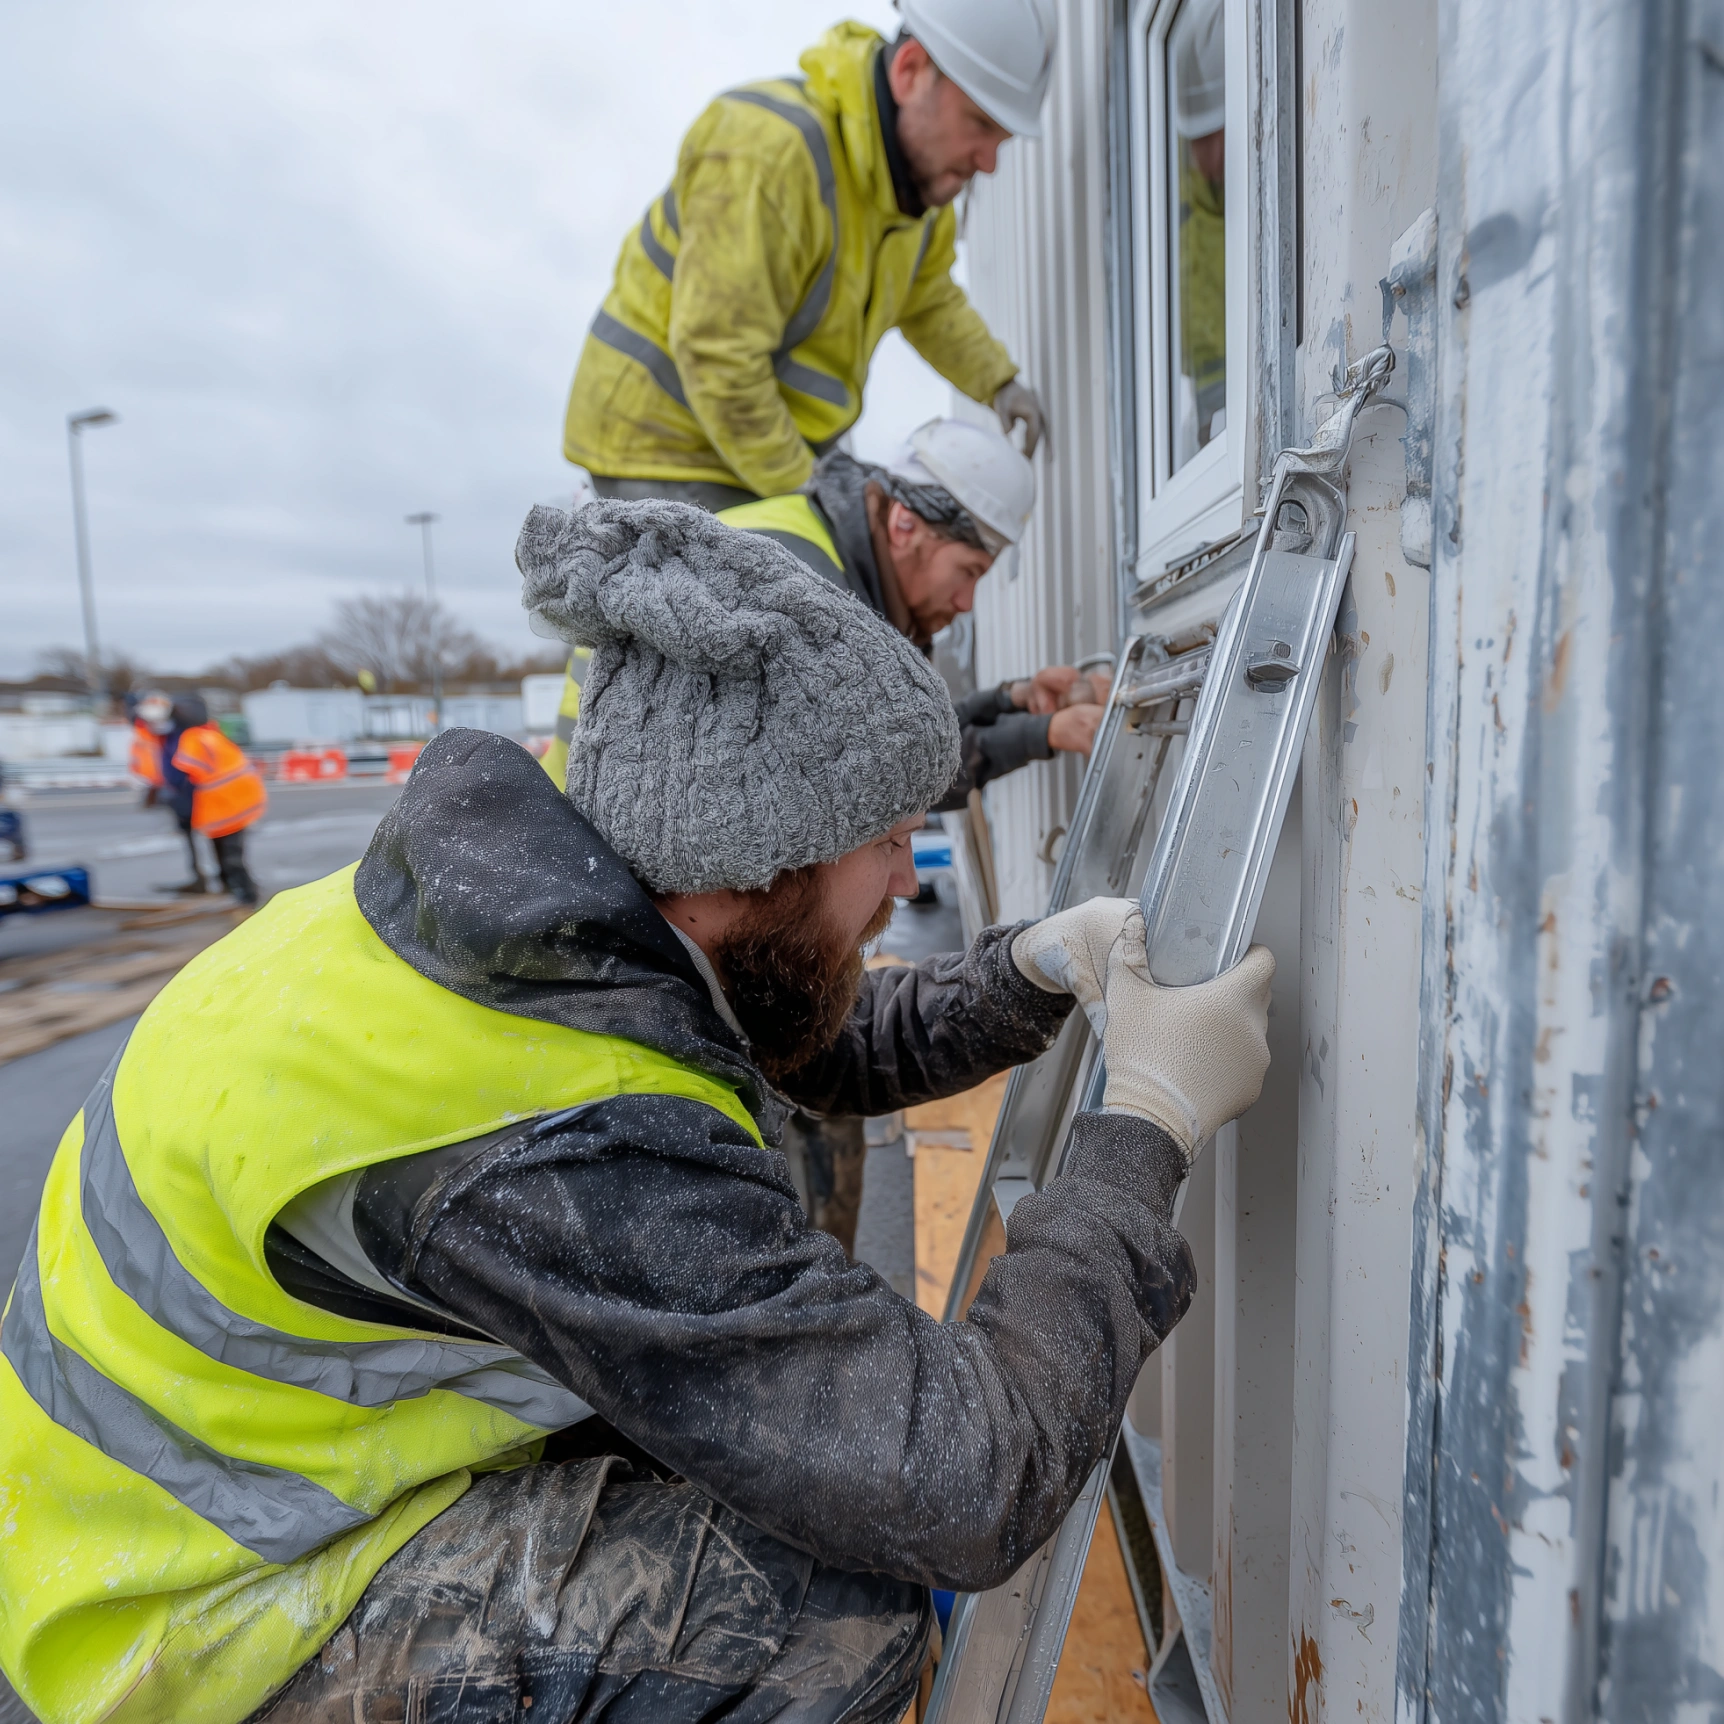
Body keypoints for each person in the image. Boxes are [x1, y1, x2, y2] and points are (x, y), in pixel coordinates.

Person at [0, 503, 1274, 1724]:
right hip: (185, 1621)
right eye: (887, 838)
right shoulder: (553, 1136)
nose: (906, 872)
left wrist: (1026, 971)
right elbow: (961, 1473)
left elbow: (805, 1039)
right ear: (760, 856)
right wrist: (1142, 1124)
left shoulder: (525, 919)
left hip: (190, 1494)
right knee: (815, 1619)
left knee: (752, 1456)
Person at [537, 419, 1115, 1254]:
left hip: (641, 882)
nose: (967, 603)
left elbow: (869, 773)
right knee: (791, 1149)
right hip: (660, 890)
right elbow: (854, 783)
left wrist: (1008, 705)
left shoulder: (800, 562)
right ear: (906, 525)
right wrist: (1041, 734)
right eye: (969, 571)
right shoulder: (795, 588)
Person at [561, 0, 1055, 508]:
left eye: (1002, 140)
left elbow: (928, 302)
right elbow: (718, 354)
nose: (989, 162)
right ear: (909, 72)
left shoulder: (917, 202)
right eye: (979, 124)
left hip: (761, 452)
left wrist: (999, 383)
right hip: (661, 448)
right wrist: (807, 491)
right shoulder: (767, 154)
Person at [157, 693, 267, 904]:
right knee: (228, 850)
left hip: (225, 804)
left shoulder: (192, 738)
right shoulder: (211, 733)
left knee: (231, 855)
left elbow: (181, 775)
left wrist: (179, 802)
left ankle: (247, 897)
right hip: (238, 799)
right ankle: (234, 888)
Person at [133, 689, 207, 894]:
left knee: (217, 838)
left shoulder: (186, 732)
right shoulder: (158, 735)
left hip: (193, 791)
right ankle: (200, 878)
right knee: (189, 836)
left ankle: (227, 882)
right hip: (176, 791)